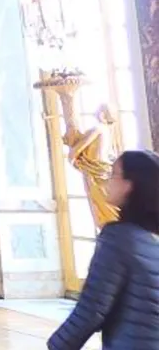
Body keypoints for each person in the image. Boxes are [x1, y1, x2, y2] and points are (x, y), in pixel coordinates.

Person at [49, 149, 159, 350]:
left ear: (130, 185)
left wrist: (57, 345)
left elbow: (92, 310)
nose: (107, 181)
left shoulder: (119, 239)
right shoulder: (151, 238)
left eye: (113, 174)